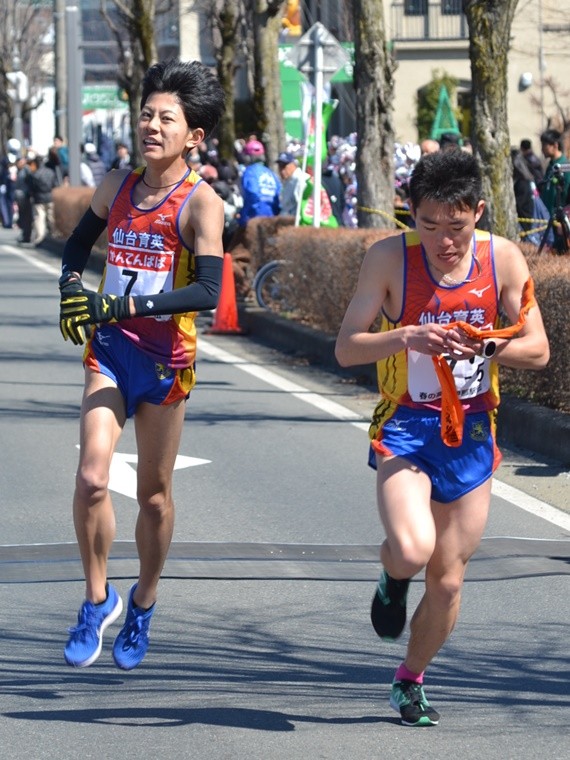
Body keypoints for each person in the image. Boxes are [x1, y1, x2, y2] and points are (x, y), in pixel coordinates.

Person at [335, 150, 549, 727]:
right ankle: (391, 574)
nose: (443, 241)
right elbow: (347, 347)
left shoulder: (502, 258)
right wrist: (406, 336)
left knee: (449, 580)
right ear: (411, 213)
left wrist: (485, 346)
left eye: (456, 227)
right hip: (406, 425)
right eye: (427, 225)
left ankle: (409, 680)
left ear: (477, 212)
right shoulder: (388, 259)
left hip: (472, 433)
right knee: (411, 549)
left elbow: (539, 348)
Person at [58, 58, 225, 670]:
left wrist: (125, 301)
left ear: (194, 136)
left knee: (153, 497)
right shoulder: (116, 186)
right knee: (91, 479)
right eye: (147, 114)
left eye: (167, 119)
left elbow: (207, 293)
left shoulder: (202, 204)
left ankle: (144, 602)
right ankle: (96, 598)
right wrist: (71, 285)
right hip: (110, 349)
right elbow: (77, 246)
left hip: (165, 361)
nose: (152, 125)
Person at [237, 139, 281, 226]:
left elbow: (253, 194)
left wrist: (243, 217)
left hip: (256, 219)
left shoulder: (249, 172)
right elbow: (278, 194)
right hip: (273, 217)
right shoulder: (271, 173)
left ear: (248, 156)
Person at [28, 154, 58, 246]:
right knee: (50, 217)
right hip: (49, 197)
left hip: (38, 199)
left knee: (39, 218)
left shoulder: (34, 174)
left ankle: (40, 238)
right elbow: (55, 184)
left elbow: (31, 188)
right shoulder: (50, 172)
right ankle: (54, 235)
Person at [539, 129, 570, 215]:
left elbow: (565, 194)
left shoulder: (565, 167)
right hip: (546, 218)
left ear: (555, 145)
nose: (542, 149)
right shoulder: (551, 166)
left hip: (559, 220)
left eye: (544, 145)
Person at [276, 151, 306, 218]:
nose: (282, 170)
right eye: (280, 167)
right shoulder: (287, 181)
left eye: (284, 166)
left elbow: (302, 207)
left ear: (293, 165)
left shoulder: (301, 180)